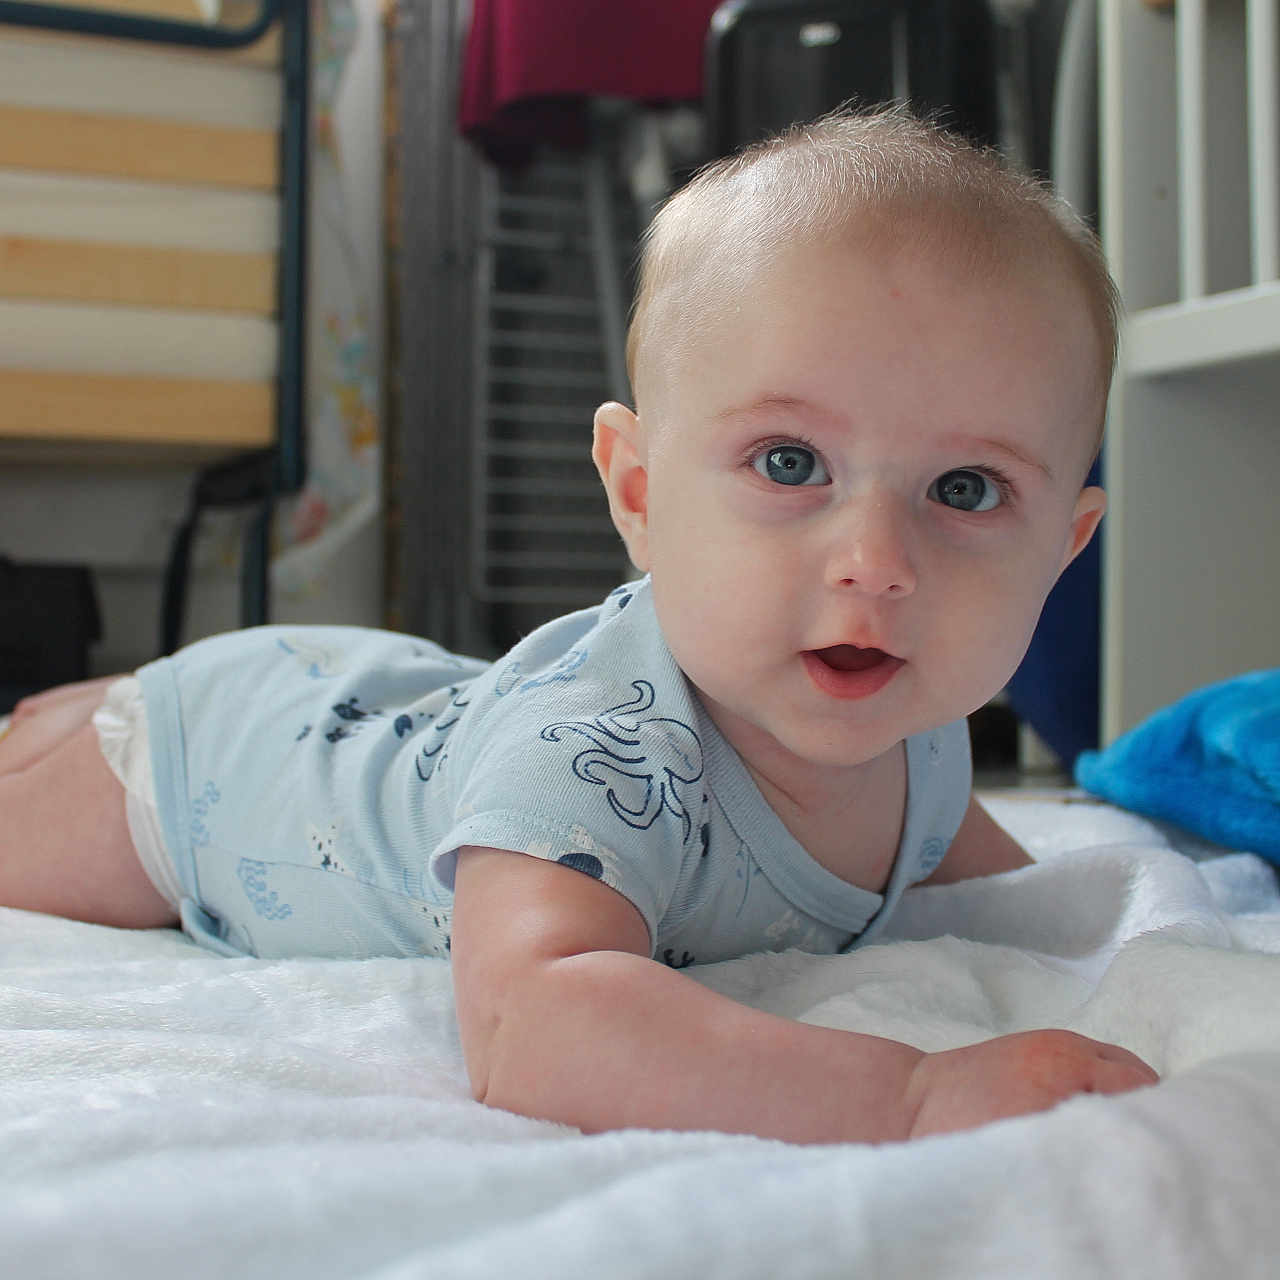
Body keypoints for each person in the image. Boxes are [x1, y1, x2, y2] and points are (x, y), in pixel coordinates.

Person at [0, 107, 1157, 1144]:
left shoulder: (923, 724)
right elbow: (531, 1025)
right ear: (639, 493)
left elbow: (1021, 908)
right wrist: (908, 1095)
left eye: (964, 489)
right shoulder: (597, 754)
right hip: (217, 767)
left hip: (409, 696)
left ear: (1062, 544)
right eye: (789, 462)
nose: (875, 563)